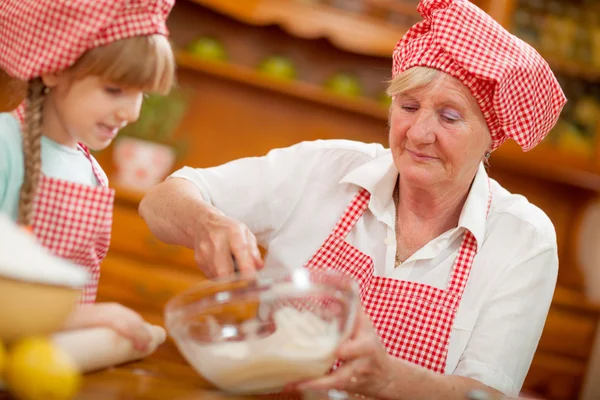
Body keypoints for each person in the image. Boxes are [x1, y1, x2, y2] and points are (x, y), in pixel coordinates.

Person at [139, 0, 566, 398]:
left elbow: (485, 393)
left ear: (493, 136)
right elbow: (160, 201)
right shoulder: (325, 169)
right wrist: (207, 223)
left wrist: (389, 379)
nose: (418, 134)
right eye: (409, 106)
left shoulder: (522, 239)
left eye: (449, 117)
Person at [0, 0, 175, 352]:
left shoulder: (93, 173)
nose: (130, 111)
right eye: (115, 90)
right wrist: (86, 319)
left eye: (141, 93)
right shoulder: (5, 145)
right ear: (54, 69)